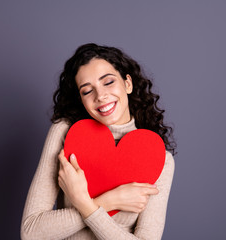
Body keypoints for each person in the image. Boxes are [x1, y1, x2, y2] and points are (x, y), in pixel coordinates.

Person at [21, 43, 176, 239]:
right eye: (87, 91)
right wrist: (110, 201)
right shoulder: (65, 133)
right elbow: (31, 232)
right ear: (81, 98)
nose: (101, 96)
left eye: (108, 82)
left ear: (128, 84)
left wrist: (84, 203)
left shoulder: (159, 158)